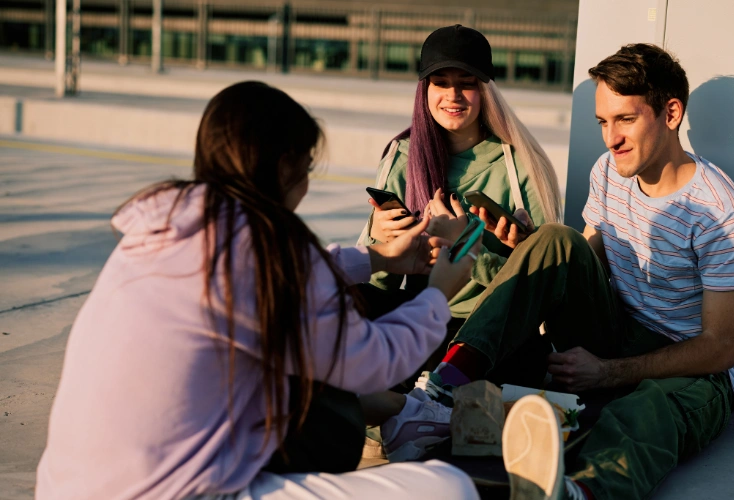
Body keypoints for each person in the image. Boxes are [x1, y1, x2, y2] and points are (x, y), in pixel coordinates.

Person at [35, 81, 481, 500]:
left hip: (63, 488)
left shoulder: (164, 228)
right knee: (448, 487)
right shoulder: (269, 251)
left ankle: (404, 415)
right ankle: (409, 415)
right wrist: (437, 293)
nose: (305, 184)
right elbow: (377, 360)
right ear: (283, 166)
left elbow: (293, 275)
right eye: (306, 168)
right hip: (183, 491)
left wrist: (380, 258)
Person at [416, 44, 734, 500]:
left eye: (625, 119)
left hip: (695, 369)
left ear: (671, 113)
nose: (610, 138)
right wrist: (533, 254)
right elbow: (586, 257)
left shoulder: (722, 214)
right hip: (616, 328)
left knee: (649, 408)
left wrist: (606, 374)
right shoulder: (609, 171)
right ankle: (443, 390)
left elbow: (720, 348)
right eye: (603, 122)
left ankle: (581, 491)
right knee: (555, 239)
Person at [359, 24, 563, 460]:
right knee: (349, 303)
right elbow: (376, 283)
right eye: (441, 82)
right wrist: (384, 239)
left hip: (488, 328)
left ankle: (422, 412)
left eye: (467, 84)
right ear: (423, 88)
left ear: (486, 90)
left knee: (492, 399)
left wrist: (486, 248)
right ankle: (414, 410)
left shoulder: (521, 164)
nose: (453, 96)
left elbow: (543, 284)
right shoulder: (401, 155)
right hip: (423, 315)